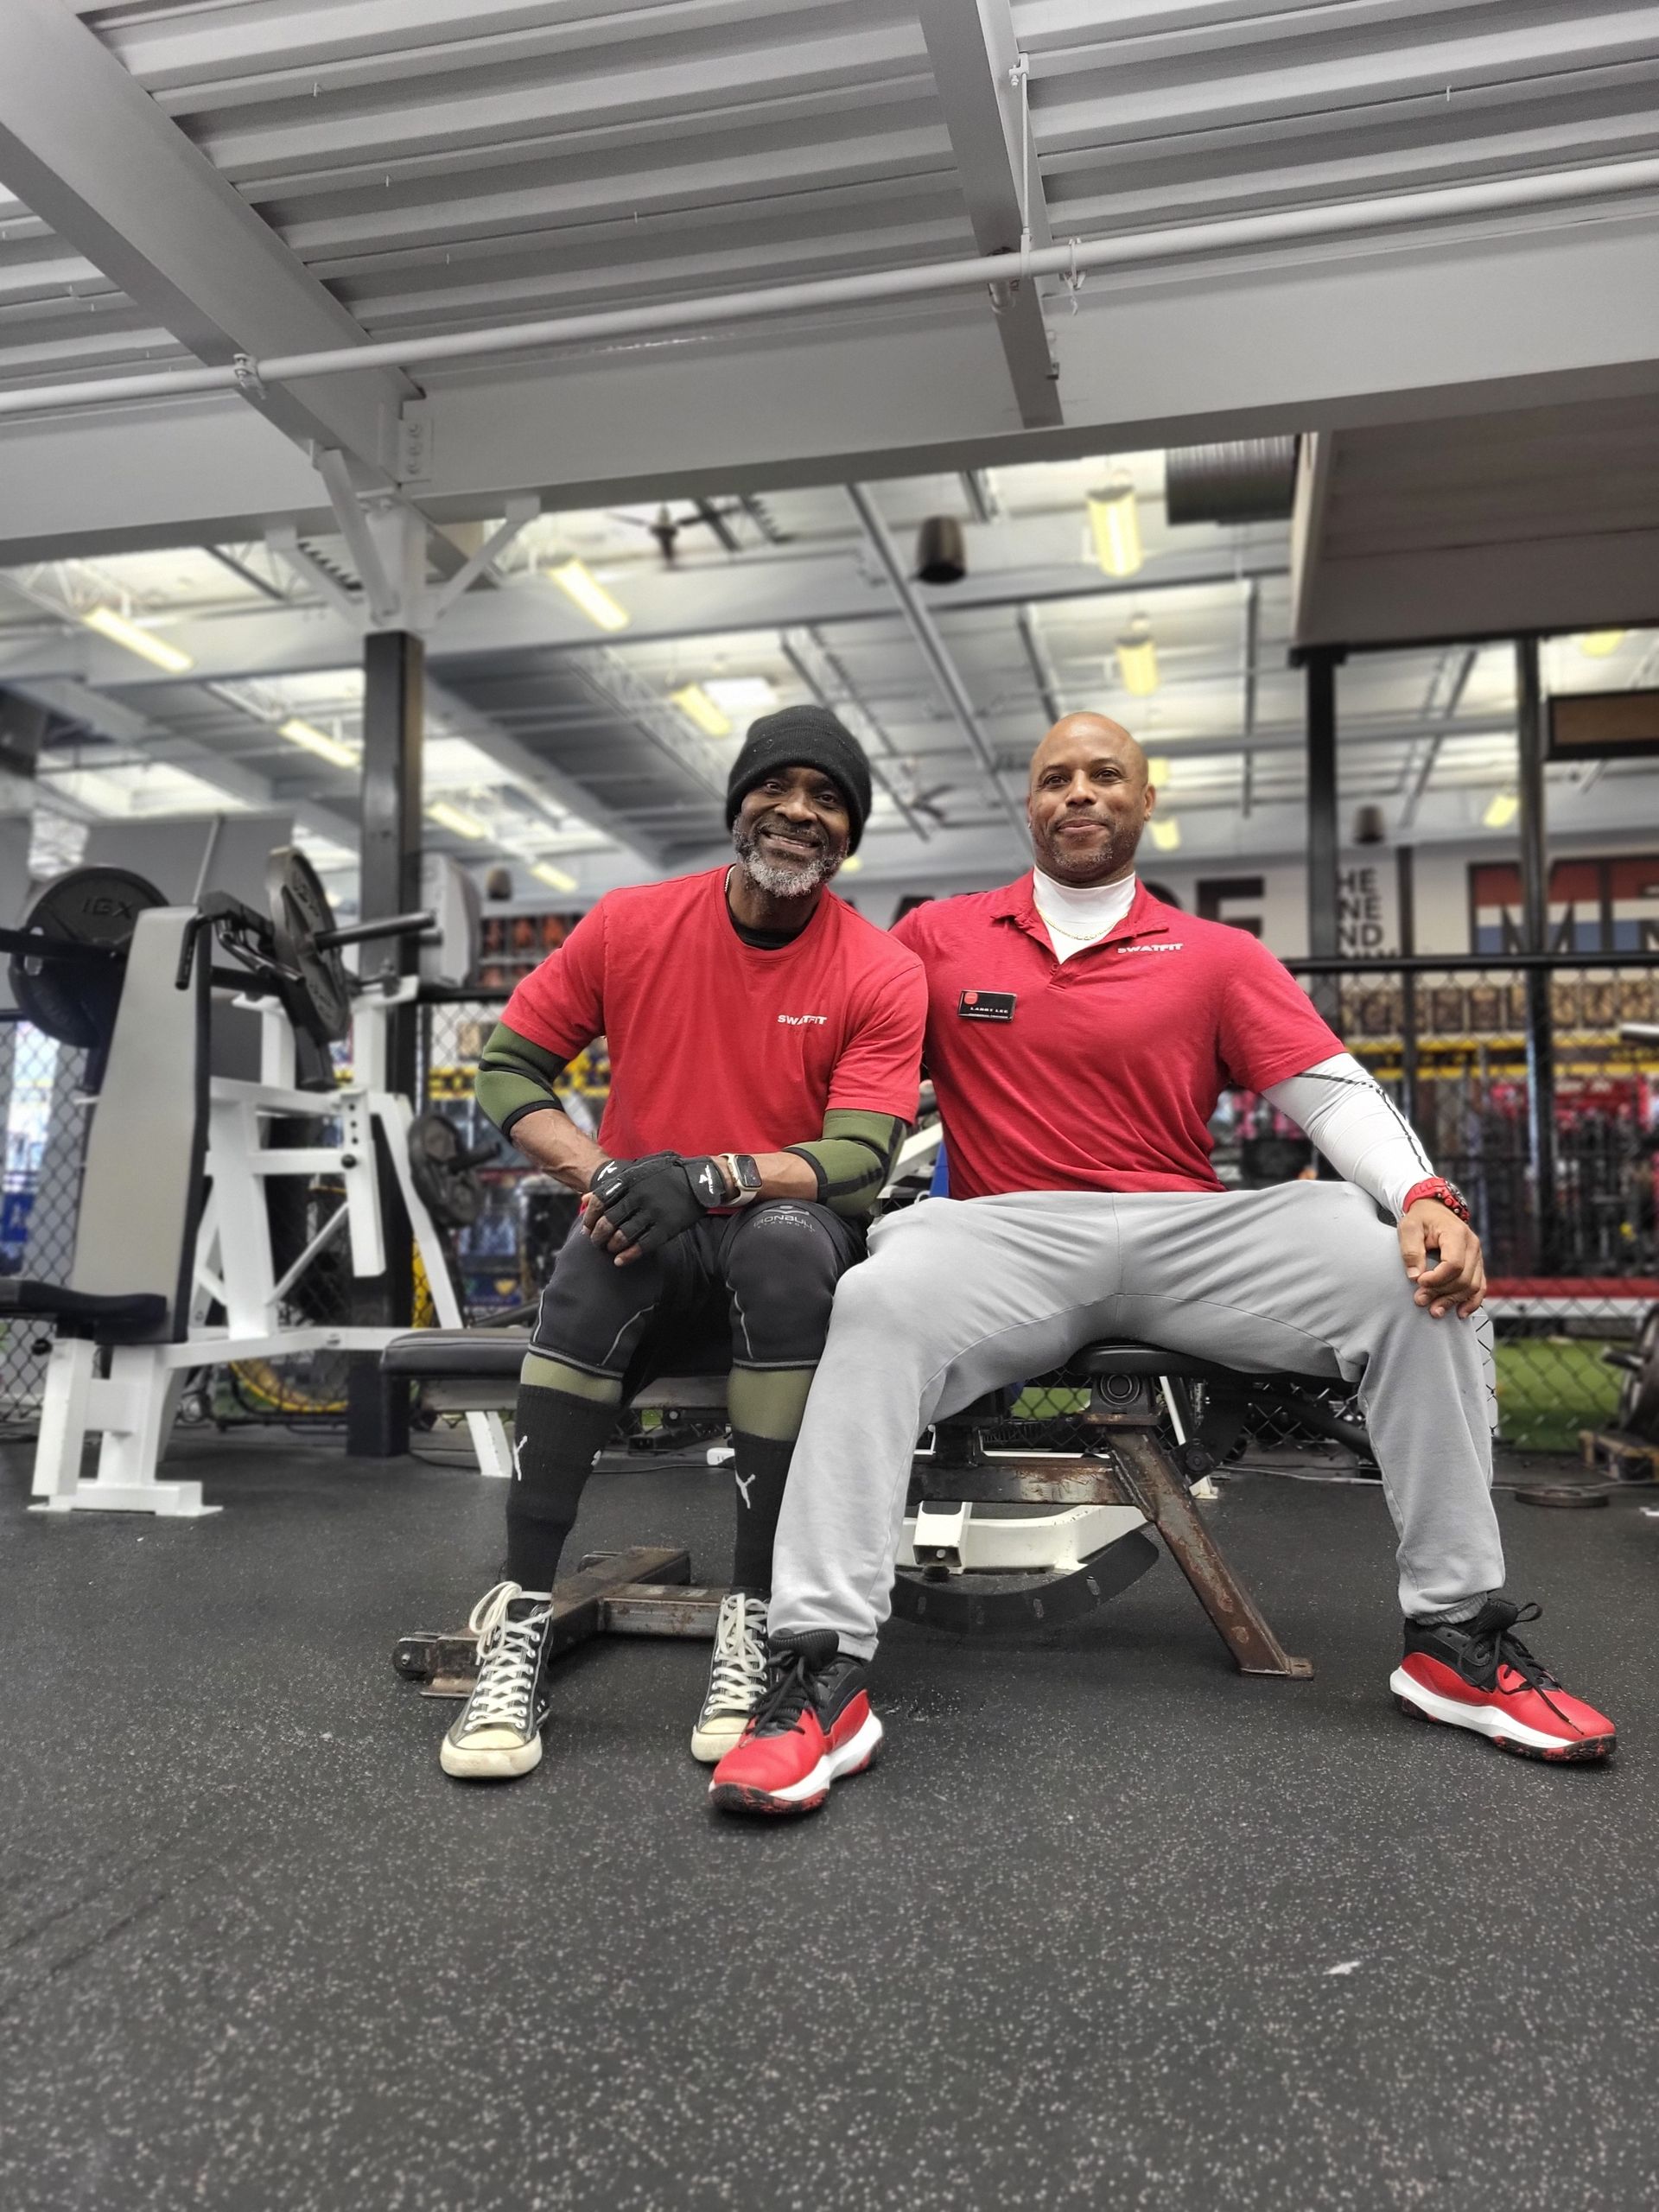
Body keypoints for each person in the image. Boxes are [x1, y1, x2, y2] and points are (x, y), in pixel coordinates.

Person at [709, 711, 1617, 1818]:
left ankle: (1455, 1636)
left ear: (1145, 801)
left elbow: (1329, 1090)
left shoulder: (1218, 954)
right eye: (1055, 778)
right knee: (879, 1294)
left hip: (1184, 1228)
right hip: (1011, 1228)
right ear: (1030, 806)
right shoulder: (938, 937)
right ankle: (820, 1669)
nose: (1079, 792)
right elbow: (838, 1049)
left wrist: (1424, 1195)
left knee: (1409, 1275)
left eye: (1105, 776)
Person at [441, 707, 926, 1782]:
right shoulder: (629, 924)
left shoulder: (880, 969)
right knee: (597, 1247)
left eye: (830, 798)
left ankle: (755, 1615)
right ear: (738, 802)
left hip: (779, 1245)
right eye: (779, 786)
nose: (800, 810)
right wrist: (605, 1175)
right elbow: (509, 1070)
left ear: (848, 834)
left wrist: (714, 1174)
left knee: (789, 1241)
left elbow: (858, 1156)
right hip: (649, 1239)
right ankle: (520, 1613)